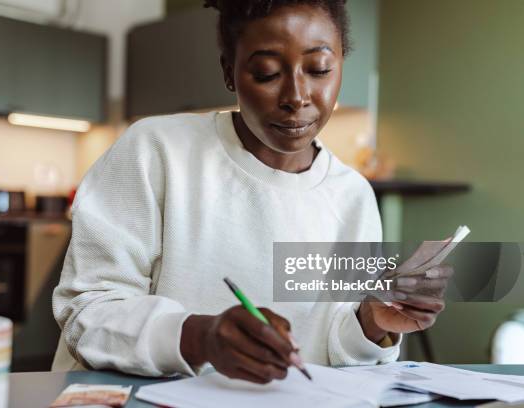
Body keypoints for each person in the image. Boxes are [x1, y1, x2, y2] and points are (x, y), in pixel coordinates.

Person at [52, 0, 451, 384]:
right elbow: (87, 312)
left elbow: (336, 350)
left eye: (319, 68)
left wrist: (372, 321)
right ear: (230, 72)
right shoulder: (155, 151)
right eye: (266, 72)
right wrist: (199, 337)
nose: (296, 97)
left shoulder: (352, 196)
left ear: (341, 64)